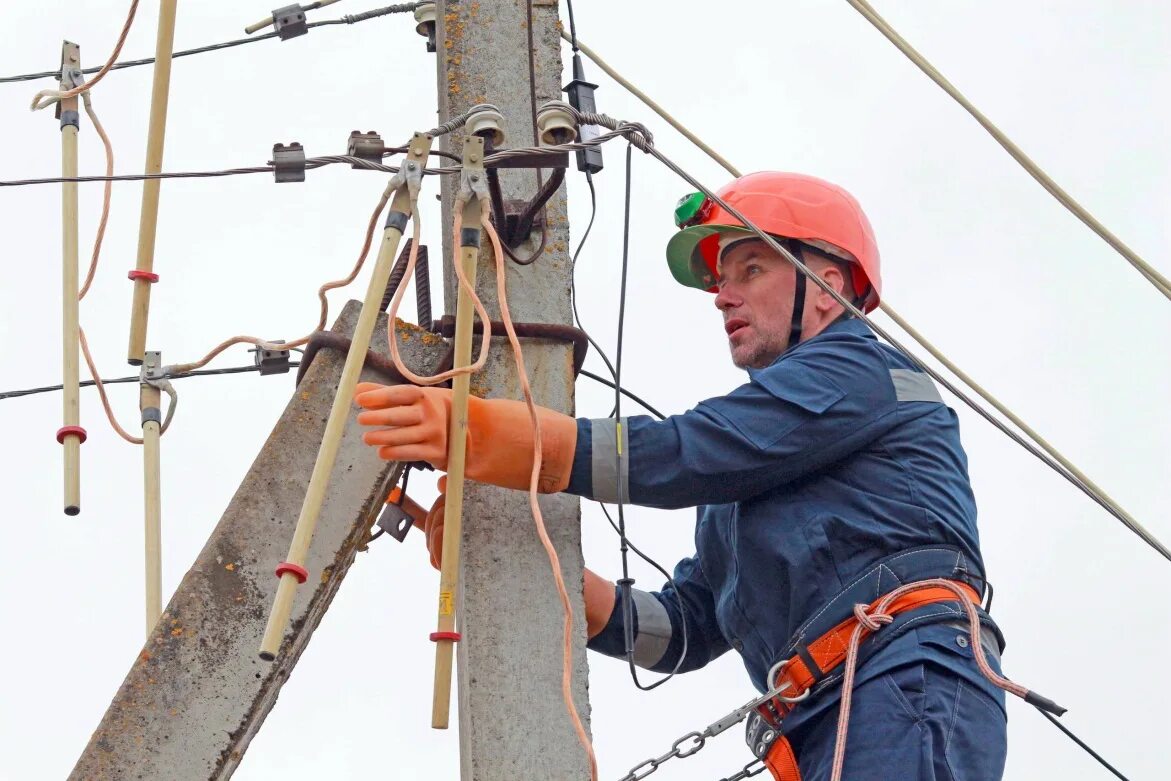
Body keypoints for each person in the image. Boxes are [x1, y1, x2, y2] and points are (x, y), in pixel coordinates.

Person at [354, 172, 1008, 780]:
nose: (723, 295)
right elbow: (682, 629)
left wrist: (497, 437)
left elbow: (686, 450)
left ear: (830, 284)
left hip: (902, 672)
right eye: (721, 280)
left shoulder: (862, 373)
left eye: (750, 269)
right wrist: (543, 573)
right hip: (825, 708)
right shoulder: (750, 483)